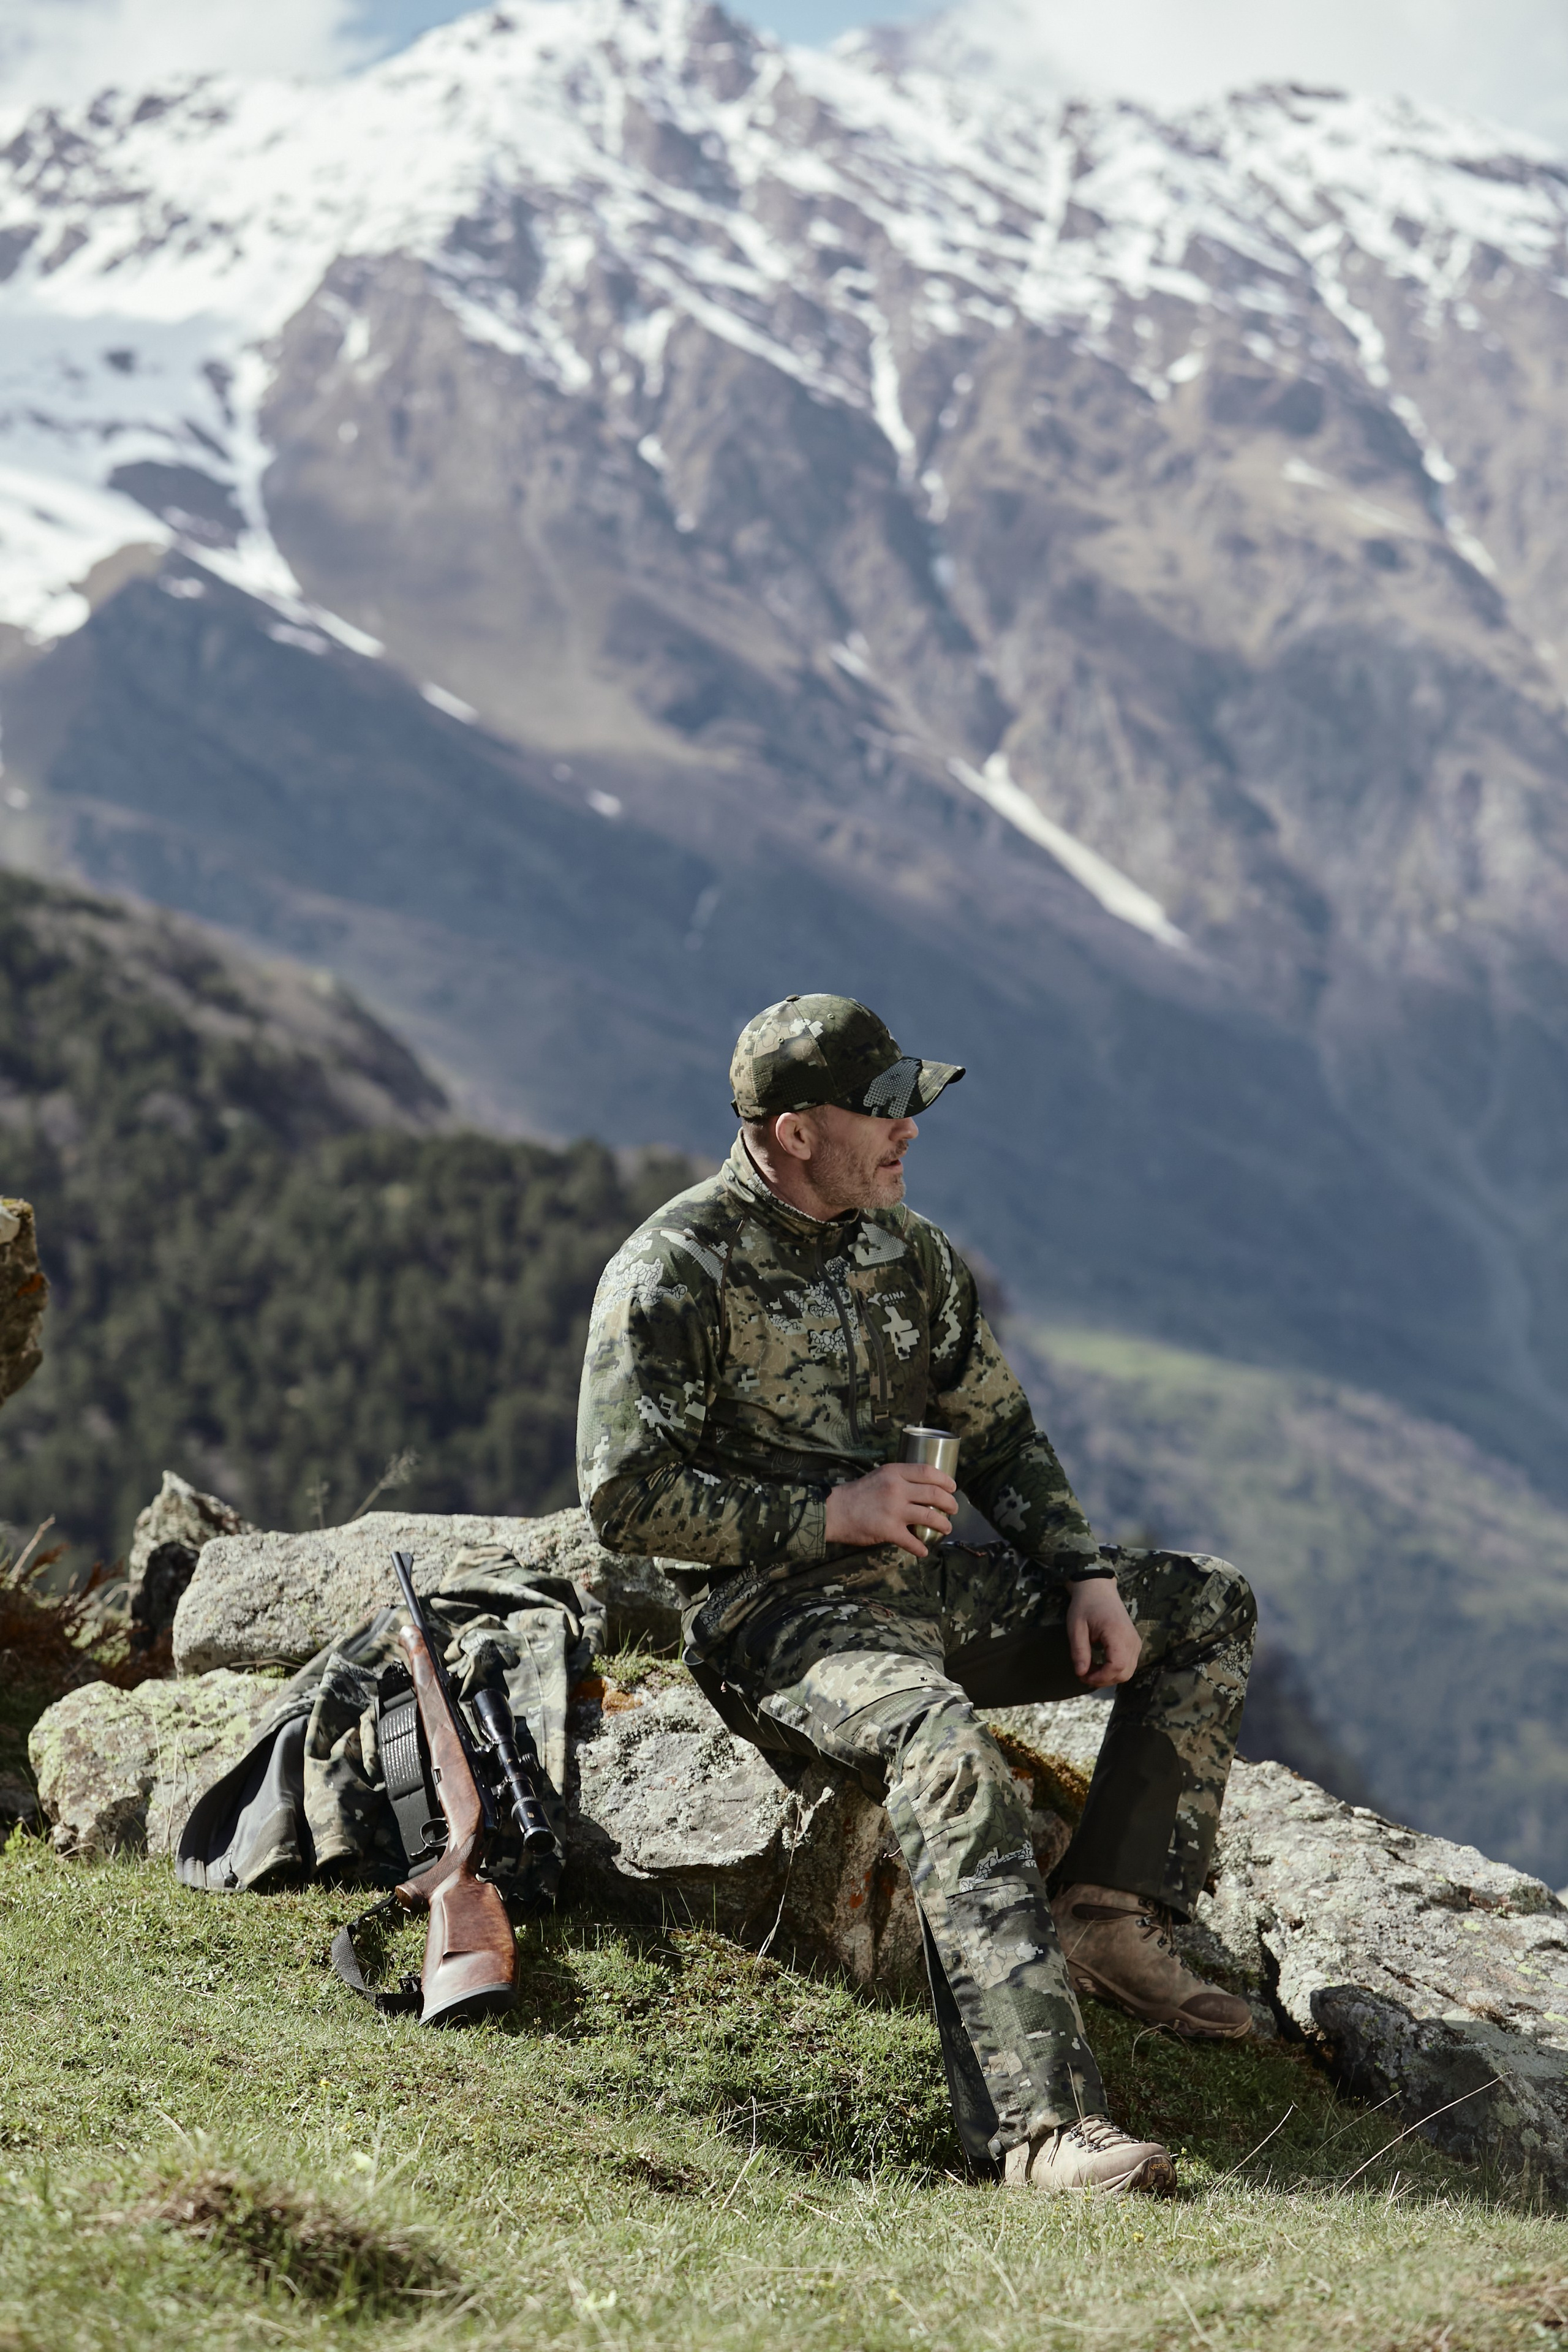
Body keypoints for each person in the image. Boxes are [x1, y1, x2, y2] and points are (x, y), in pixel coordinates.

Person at [576, 994, 1256, 2195]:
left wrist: (1084, 1576)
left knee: (1201, 1602)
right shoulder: (672, 1271)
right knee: (941, 1747)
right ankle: (1038, 2133)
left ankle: (1103, 1914)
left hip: (924, 1594)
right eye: (883, 1108)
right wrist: (827, 1516)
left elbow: (994, 1434)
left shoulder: (911, 1254)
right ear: (793, 1131)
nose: (909, 1131)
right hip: (774, 1617)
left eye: (911, 1104)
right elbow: (624, 1501)